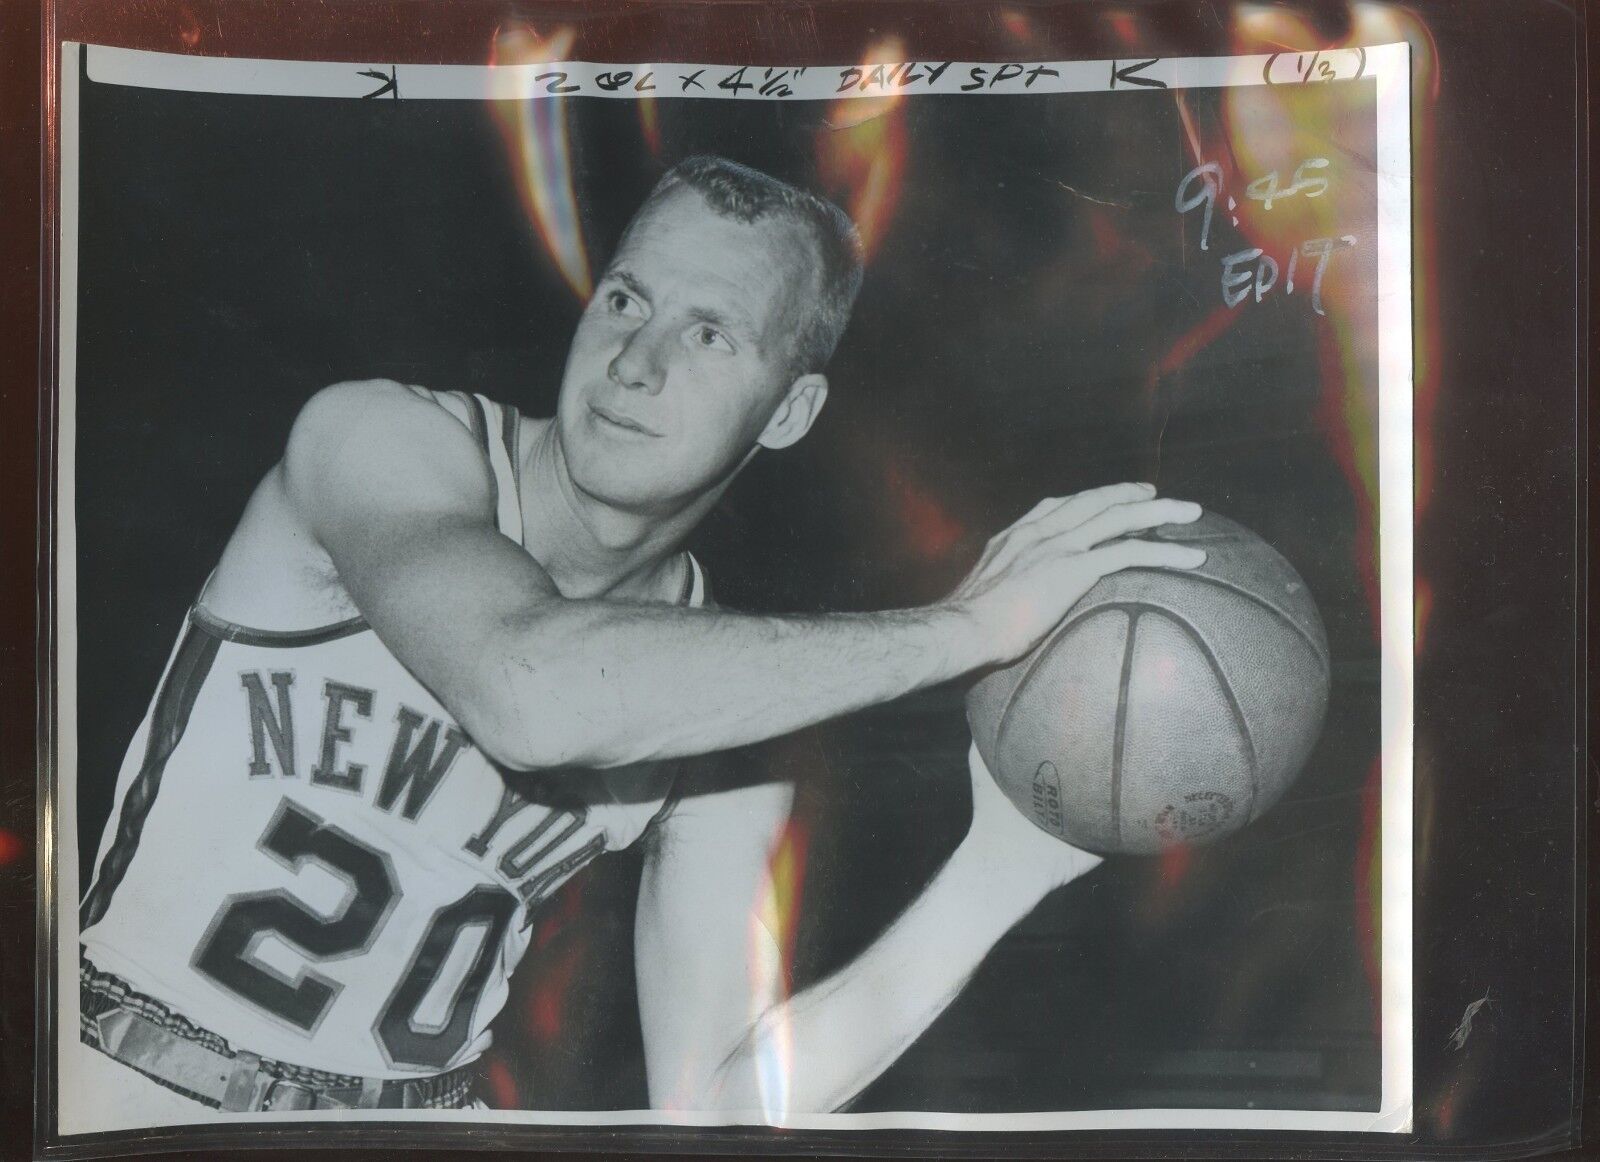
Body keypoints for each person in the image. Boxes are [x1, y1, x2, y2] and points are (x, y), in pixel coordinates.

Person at [72, 155, 1204, 1123]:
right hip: (115, 1083)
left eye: (708, 333)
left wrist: (998, 875)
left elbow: (713, 1099)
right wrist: (968, 628)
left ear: (790, 412)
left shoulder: (725, 696)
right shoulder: (377, 442)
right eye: (624, 299)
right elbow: (528, 685)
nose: (636, 362)